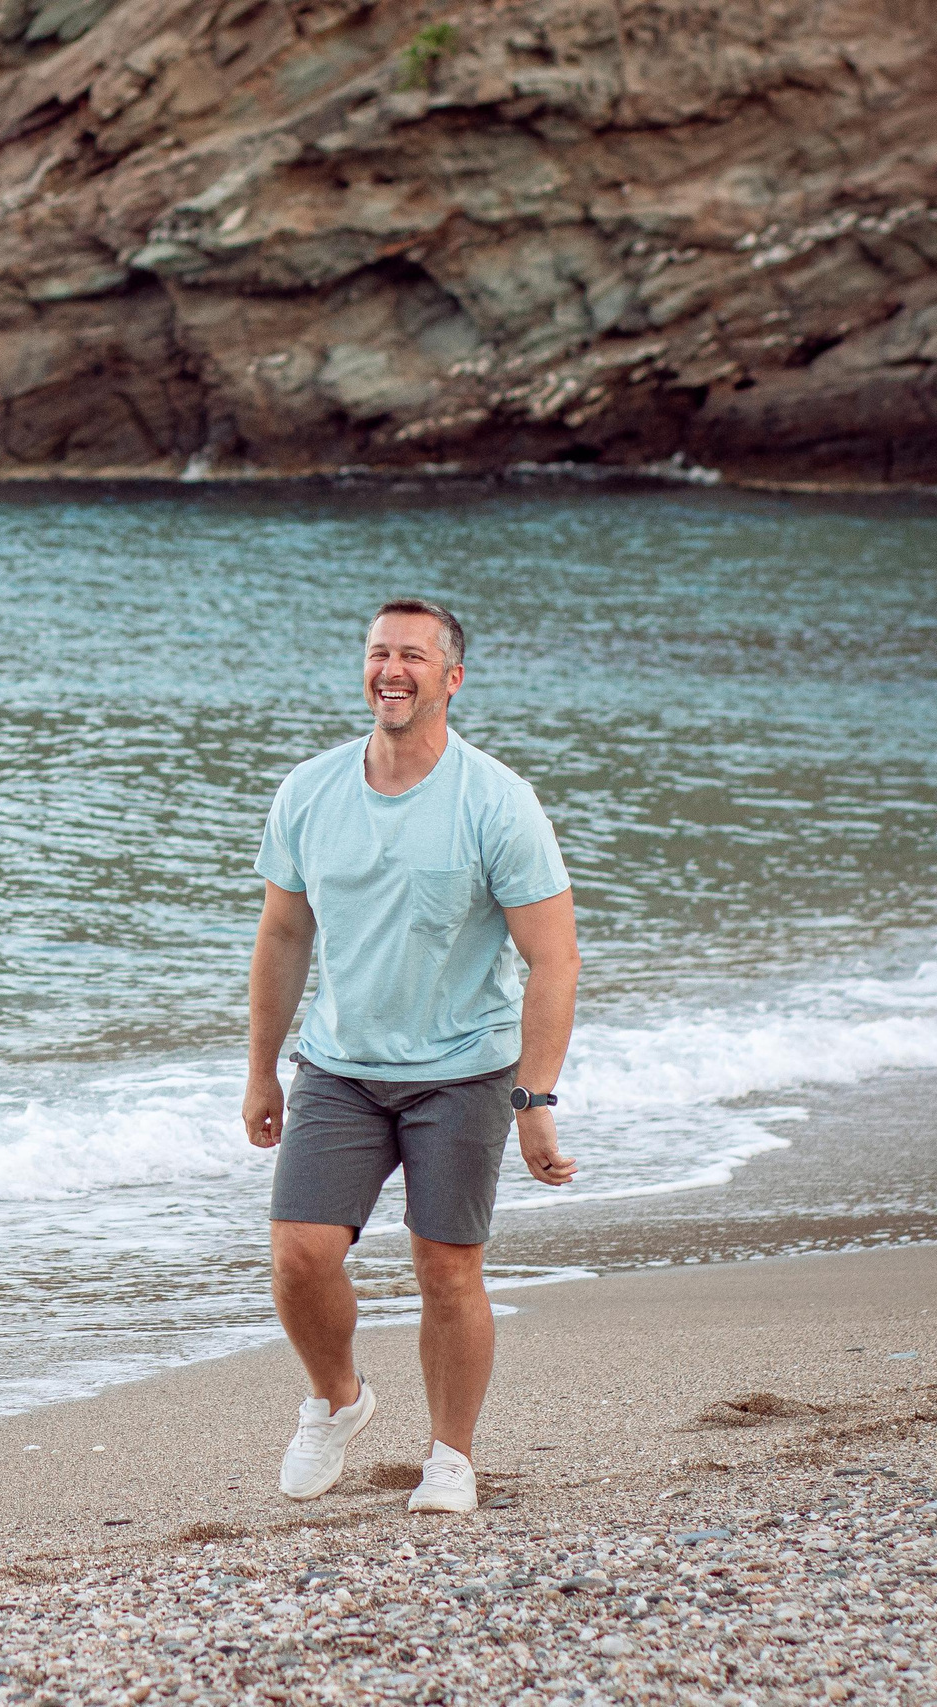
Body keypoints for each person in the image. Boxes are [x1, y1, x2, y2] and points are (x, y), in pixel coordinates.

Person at [240, 598, 580, 1516]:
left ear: (451, 678)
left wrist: (535, 1097)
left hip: (464, 1067)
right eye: (378, 653)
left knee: (446, 1268)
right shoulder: (308, 791)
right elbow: (282, 935)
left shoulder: (496, 800)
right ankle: (338, 1398)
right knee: (299, 1256)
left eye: (414, 657)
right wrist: (262, 1066)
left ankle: (451, 1455)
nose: (392, 670)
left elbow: (554, 955)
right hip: (340, 1066)